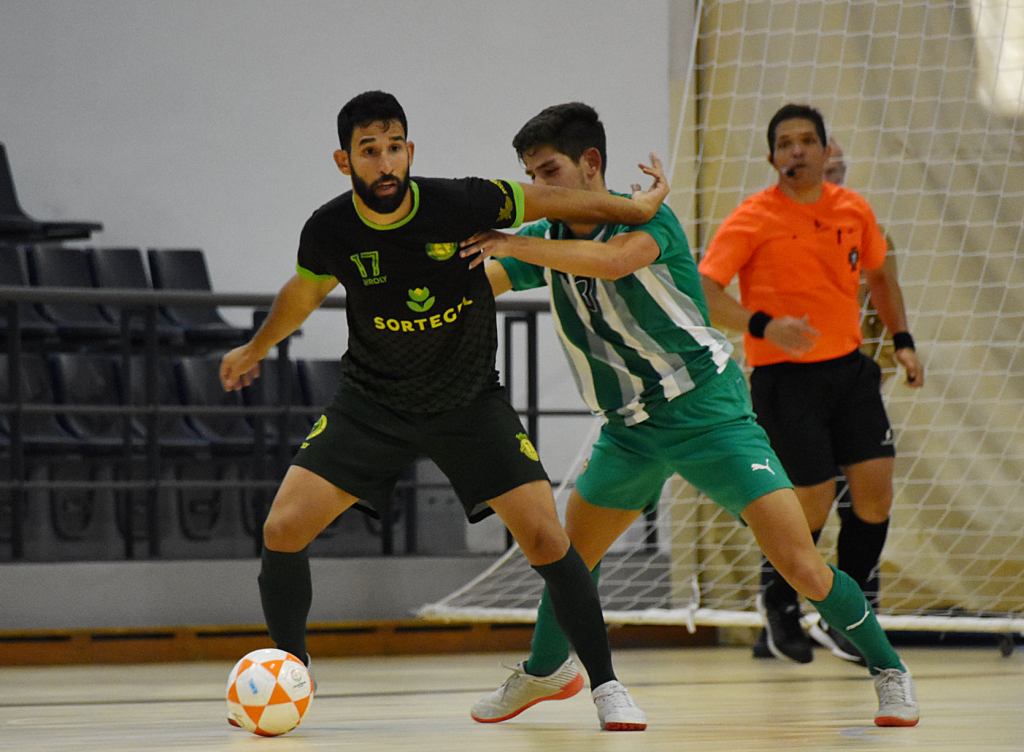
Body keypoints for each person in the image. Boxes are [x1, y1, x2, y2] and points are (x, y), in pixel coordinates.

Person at [219, 90, 668, 731]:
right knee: (282, 530)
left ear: (410, 151)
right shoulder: (329, 228)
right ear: (344, 161)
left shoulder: (459, 200)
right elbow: (303, 291)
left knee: (547, 538)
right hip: (373, 403)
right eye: (369, 151)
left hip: (467, 401)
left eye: (394, 147)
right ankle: (290, 670)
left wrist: (636, 207)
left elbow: (550, 200)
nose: (385, 163)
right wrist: (257, 346)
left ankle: (606, 686)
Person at [460, 101, 919, 729]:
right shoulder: (544, 241)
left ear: (591, 165)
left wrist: (512, 241)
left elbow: (613, 263)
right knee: (568, 558)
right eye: (531, 175)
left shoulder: (650, 221)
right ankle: (545, 672)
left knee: (800, 562)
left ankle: (889, 670)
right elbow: (483, 280)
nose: (537, 189)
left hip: (708, 411)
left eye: (548, 172)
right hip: (632, 429)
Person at [698, 104, 924, 668]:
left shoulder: (854, 209)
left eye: (807, 141)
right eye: (785, 143)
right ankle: (778, 605)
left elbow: (879, 274)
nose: (797, 150)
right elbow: (704, 288)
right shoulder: (752, 217)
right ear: (772, 157)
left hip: (849, 370)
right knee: (812, 500)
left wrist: (902, 339)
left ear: (826, 151)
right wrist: (763, 324)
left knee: (875, 493)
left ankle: (850, 612)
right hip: (783, 378)